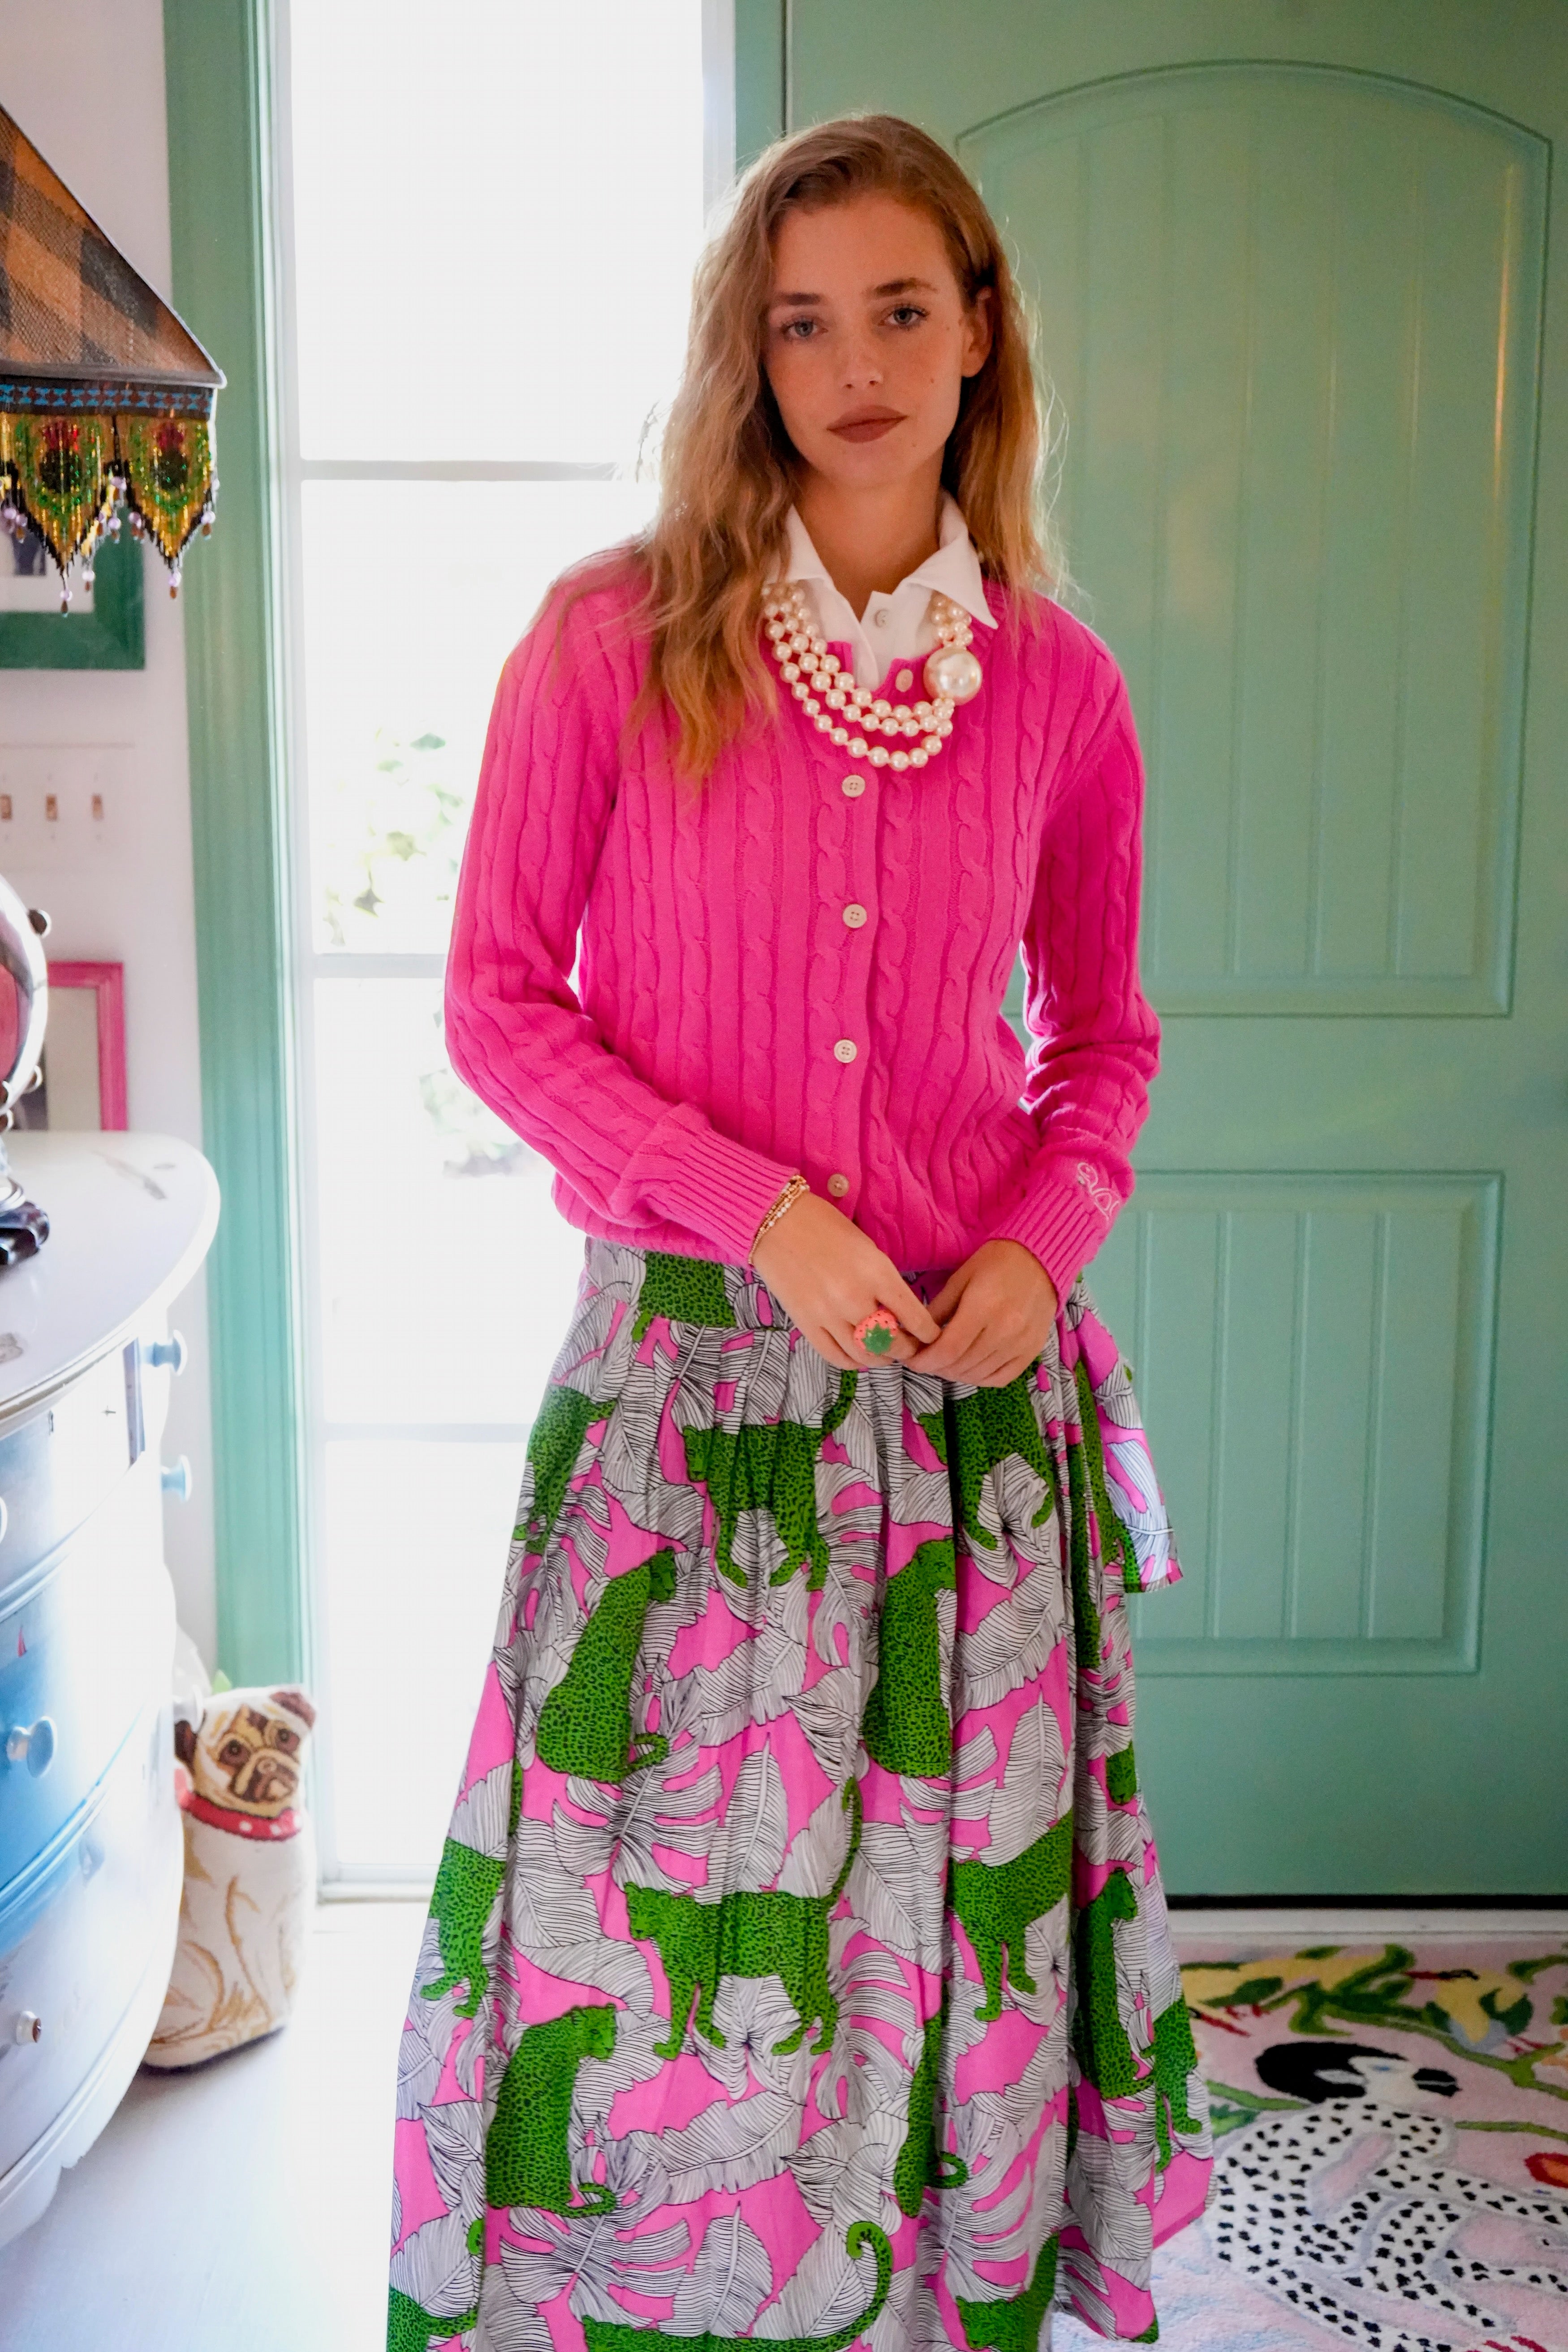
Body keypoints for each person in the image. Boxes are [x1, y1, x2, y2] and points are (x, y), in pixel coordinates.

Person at [387, 114, 1212, 2352]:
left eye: (899, 311)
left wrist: (1045, 1236)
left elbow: (1102, 1043)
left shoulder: (1058, 688)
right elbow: (496, 1007)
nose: (854, 365)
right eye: (800, 321)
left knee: (934, 1949)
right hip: (681, 1416)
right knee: (659, 1955)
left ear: (979, 333)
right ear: (746, 355)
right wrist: (753, 1212)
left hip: (966, 1416)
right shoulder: (606, 640)